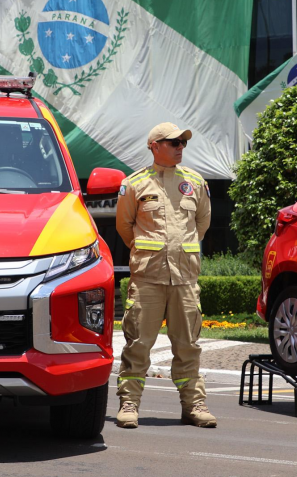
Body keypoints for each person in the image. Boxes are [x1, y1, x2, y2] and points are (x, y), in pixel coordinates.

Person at [114, 122, 215, 429]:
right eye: (173, 143)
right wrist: (149, 254)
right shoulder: (134, 184)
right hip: (148, 280)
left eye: (182, 143)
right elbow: (125, 227)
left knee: (188, 345)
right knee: (138, 345)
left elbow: (202, 225)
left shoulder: (196, 182)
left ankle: (194, 405)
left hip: (184, 279)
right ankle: (129, 404)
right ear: (154, 146)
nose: (180, 147)